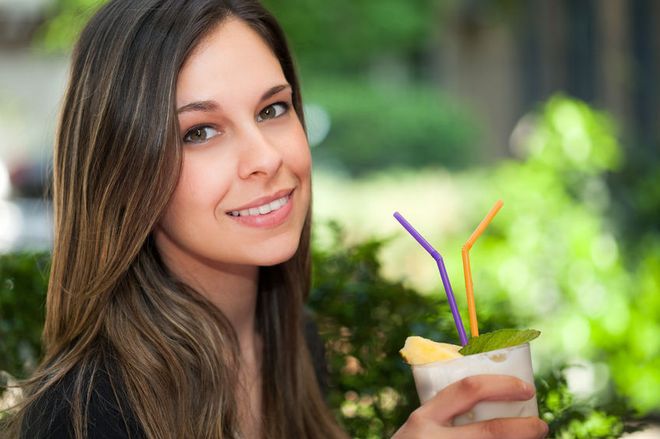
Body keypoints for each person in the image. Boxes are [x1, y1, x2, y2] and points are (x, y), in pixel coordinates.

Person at [4, 0, 549, 438]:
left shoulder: (292, 341)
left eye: (273, 109)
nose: (266, 157)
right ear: (120, 171)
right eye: (200, 131)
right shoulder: (83, 415)